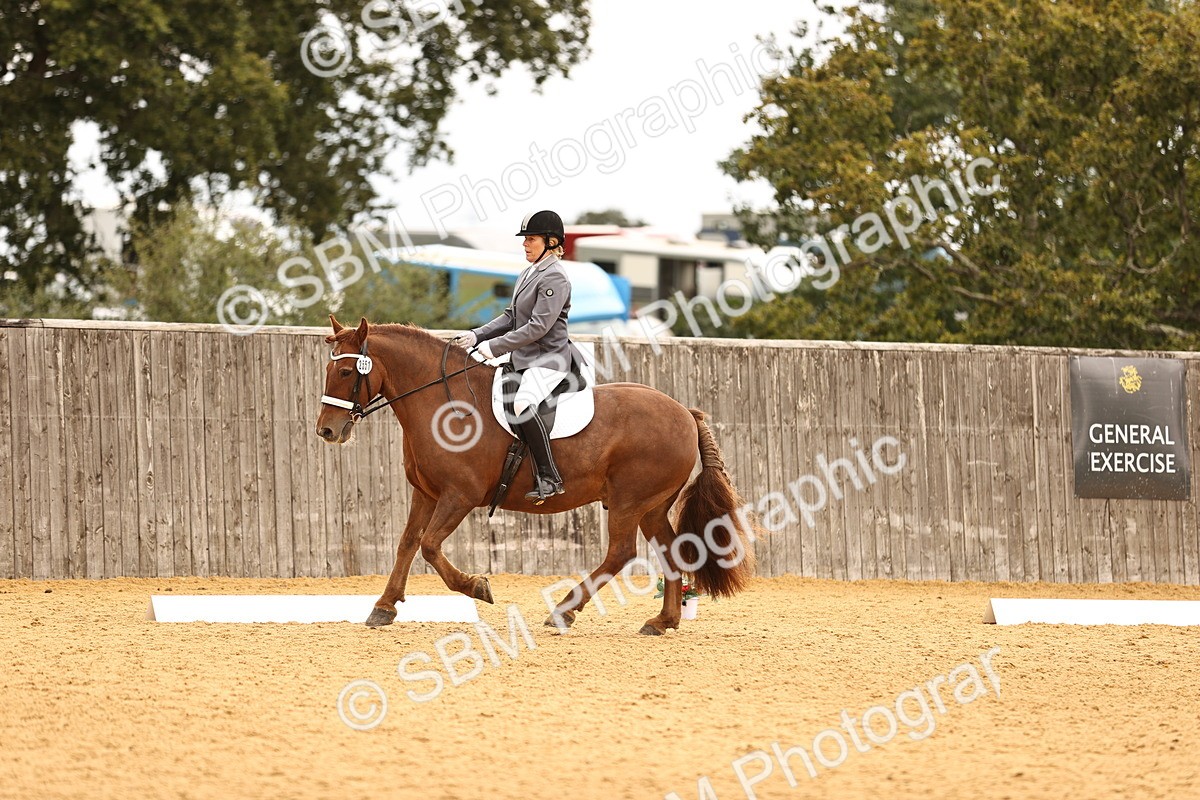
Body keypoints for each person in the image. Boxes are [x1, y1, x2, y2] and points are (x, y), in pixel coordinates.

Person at [453, 210, 586, 503]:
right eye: (525, 239)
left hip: (549, 359)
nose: (525, 244)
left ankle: (550, 477)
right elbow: (512, 316)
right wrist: (478, 335)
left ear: (551, 242)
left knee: (524, 402)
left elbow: (538, 327)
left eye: (531, 239)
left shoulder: (556, 277)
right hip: (524, 358)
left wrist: (494, 347)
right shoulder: (529, 272)